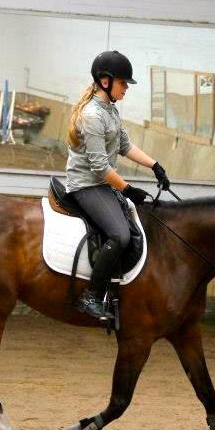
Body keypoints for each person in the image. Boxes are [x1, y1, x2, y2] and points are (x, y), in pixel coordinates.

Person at [66, 50, 170, 320]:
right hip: (87, 185)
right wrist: (127, 189)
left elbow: (124, 146)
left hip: (102, 184)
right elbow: (100, 167)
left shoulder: (110, 111)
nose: (126, 89)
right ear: (105, 81)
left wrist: (154, 165)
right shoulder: (92, 116)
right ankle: (91, 296)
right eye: (123, 83)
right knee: (120, 235)